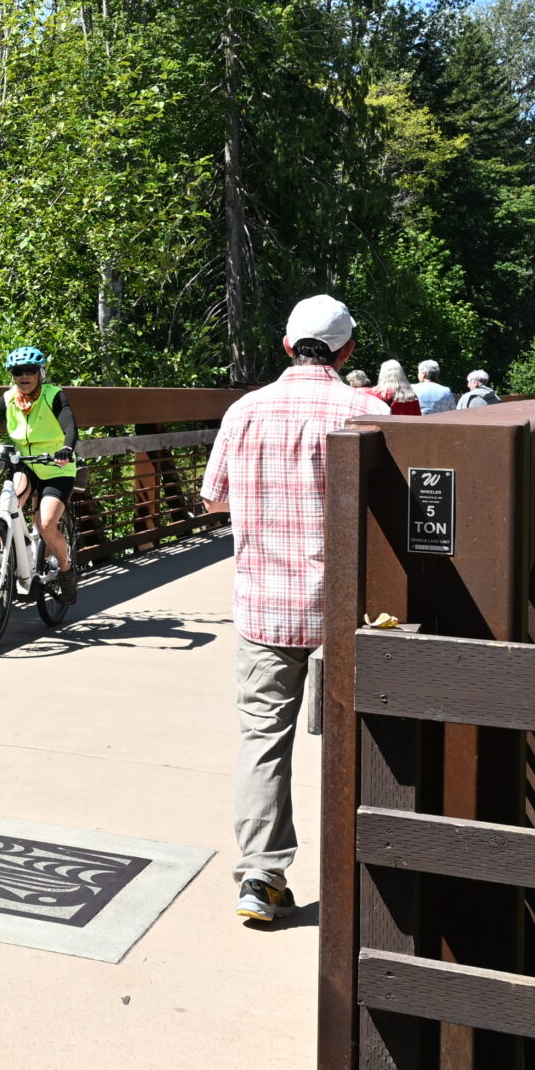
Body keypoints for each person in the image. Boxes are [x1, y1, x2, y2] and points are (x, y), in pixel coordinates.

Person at [199, 295, 380, 924]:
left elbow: (214, 499)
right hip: (347, 609)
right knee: (364, 741)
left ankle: (262, 876)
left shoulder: (244, 410)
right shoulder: (367, 411)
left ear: (286, 345)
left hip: (264, 606)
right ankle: (365, 874)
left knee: (262, 738)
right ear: (347, 350)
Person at [0, 347, 79, 581]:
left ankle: (65, 569)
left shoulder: (54, 395)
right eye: (18, 372)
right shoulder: (9, 398)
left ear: (40, 373)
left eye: (30, 371)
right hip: (25, 465)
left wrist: (67, 449)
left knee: (46, 523)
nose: (24, 377)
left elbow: (70, 425)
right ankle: (7, 558)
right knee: (7, 505)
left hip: (56, 466)